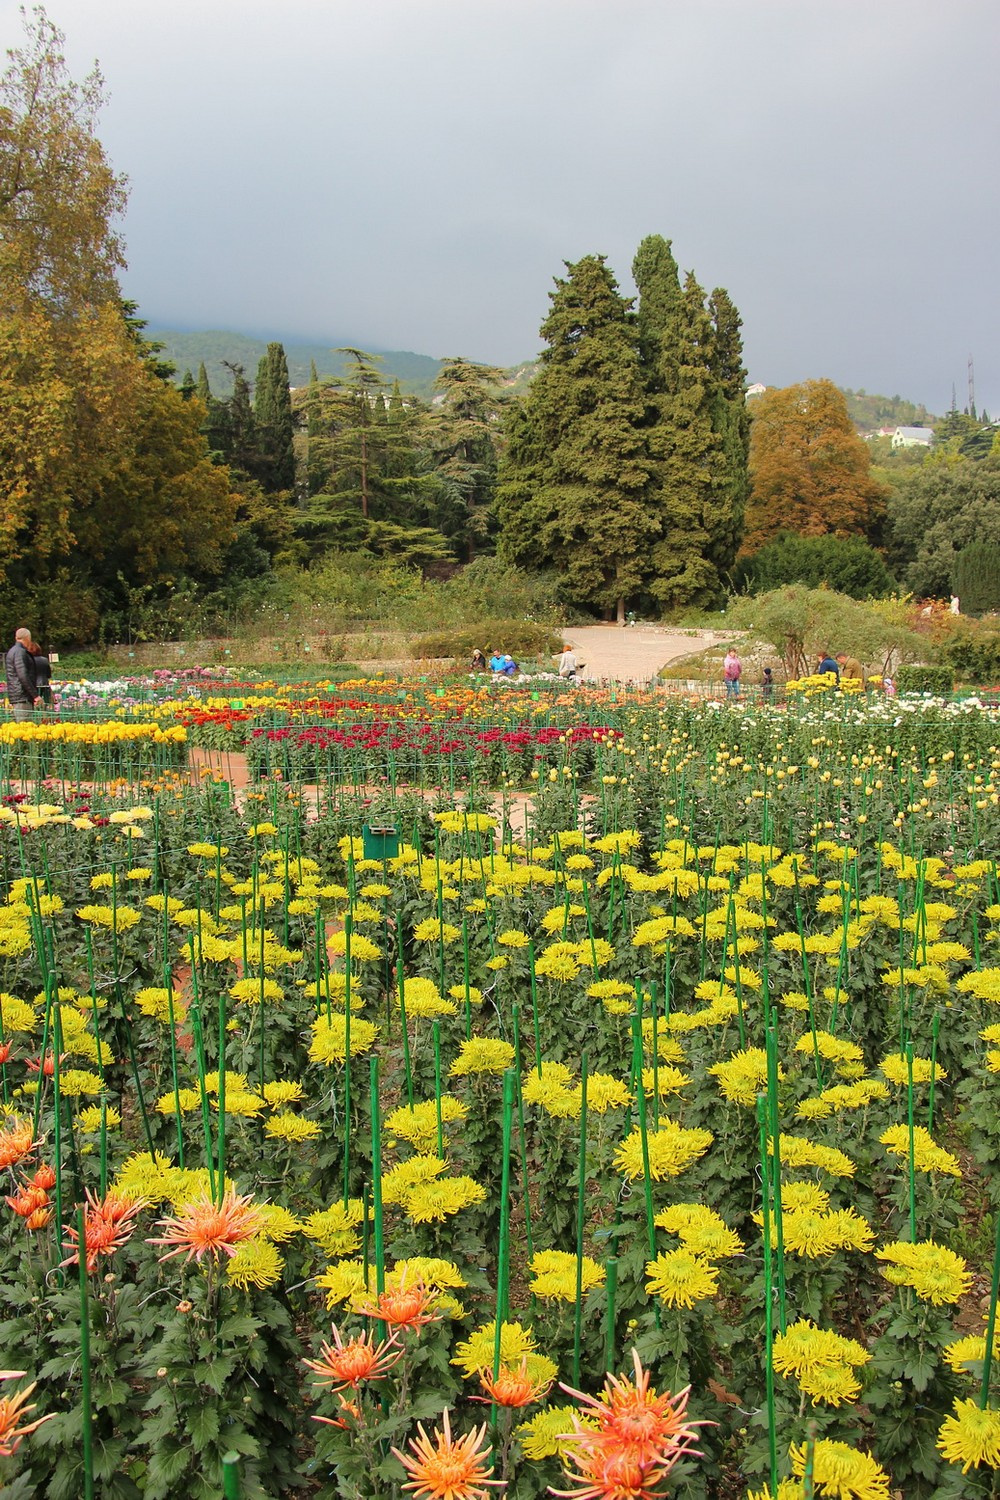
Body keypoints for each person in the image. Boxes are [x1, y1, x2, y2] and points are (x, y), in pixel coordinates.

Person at [4, 627, 40, 721]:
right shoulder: (20, 652)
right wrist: (35, 695)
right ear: (28, 638)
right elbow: (23, 675)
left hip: (18, 694)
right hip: (22, 696)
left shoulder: (13, 651)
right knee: (25, 727)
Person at [29, 642, 53, 707]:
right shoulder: (45, 660)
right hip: (45, 684)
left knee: (33, 704)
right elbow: (49, 674)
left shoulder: (29, 660)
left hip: (33, 685)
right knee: (47, 703)